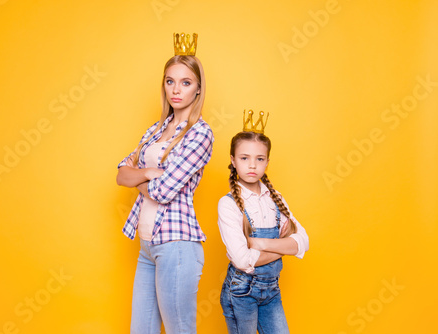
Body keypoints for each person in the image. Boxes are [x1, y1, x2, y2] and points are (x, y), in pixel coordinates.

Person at [116, 33, 213, 334]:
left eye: (186, 82)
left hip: (177, 246)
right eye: (170, 81)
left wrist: (142, 176)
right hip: (147, 246)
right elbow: (121, 173)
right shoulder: (155, 130)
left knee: (179, 331)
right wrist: (149, 173)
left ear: (198, 89)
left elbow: (164, 191)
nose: (176, 89)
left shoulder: (200, 133)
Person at [217, 114, 309, 334]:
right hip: (241, 291)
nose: (252, 165)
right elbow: (242, 260)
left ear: (267, 162)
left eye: (259, 159)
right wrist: (281, 246)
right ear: (232, 160)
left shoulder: (274, 198)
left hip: (271, 290)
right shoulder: (228, 204)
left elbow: (303, 241)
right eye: (244, 158)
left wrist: (258, 243)